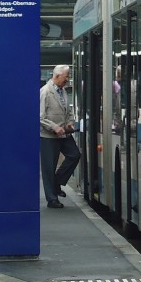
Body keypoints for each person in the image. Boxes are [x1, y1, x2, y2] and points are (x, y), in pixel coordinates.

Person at [39, 64, 81, 209]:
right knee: (49, 167)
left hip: (64, 134)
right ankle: (52, 199)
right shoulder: (45, 92)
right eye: (66, 77)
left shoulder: (63, 91)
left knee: (75, 155)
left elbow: (68, 111)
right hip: (48, 136)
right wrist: (54, 127)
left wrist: (70, 123)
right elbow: (40, 117)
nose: (67, 80)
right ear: (56, 76)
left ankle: (57, 183)